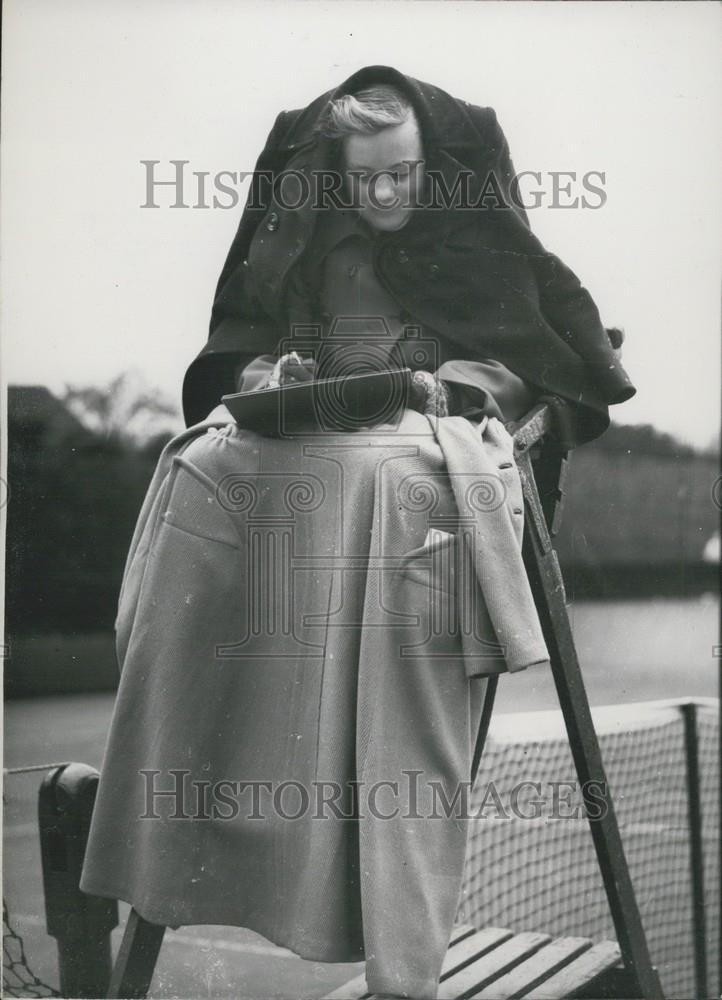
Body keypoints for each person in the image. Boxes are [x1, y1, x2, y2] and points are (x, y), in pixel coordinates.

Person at [80, 66, 635, 1000]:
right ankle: (169, 831)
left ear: (438, 166)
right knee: (200, 465)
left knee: (401, 485)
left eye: (402, 174)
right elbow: (250, 349)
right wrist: (270, 375)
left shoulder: (479, 245)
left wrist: (454, 391)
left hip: (419, 446)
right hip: (311, 447)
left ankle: (392, 934)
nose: (382, 194)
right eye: (363, 176)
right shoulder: (310, 243)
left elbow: (531, 365)